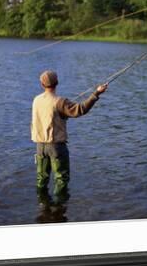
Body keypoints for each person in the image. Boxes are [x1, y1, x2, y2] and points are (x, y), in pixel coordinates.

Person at [31, 70, 108, 203]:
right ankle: (58, 209)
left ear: (41, 84)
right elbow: (81, 110)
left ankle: (42, 206)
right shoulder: (60, 102)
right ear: (57, 83)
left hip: (39, 147)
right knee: (61, 179)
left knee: (41, 178)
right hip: (56, 147)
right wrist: (96, 93)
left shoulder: (36, 100)